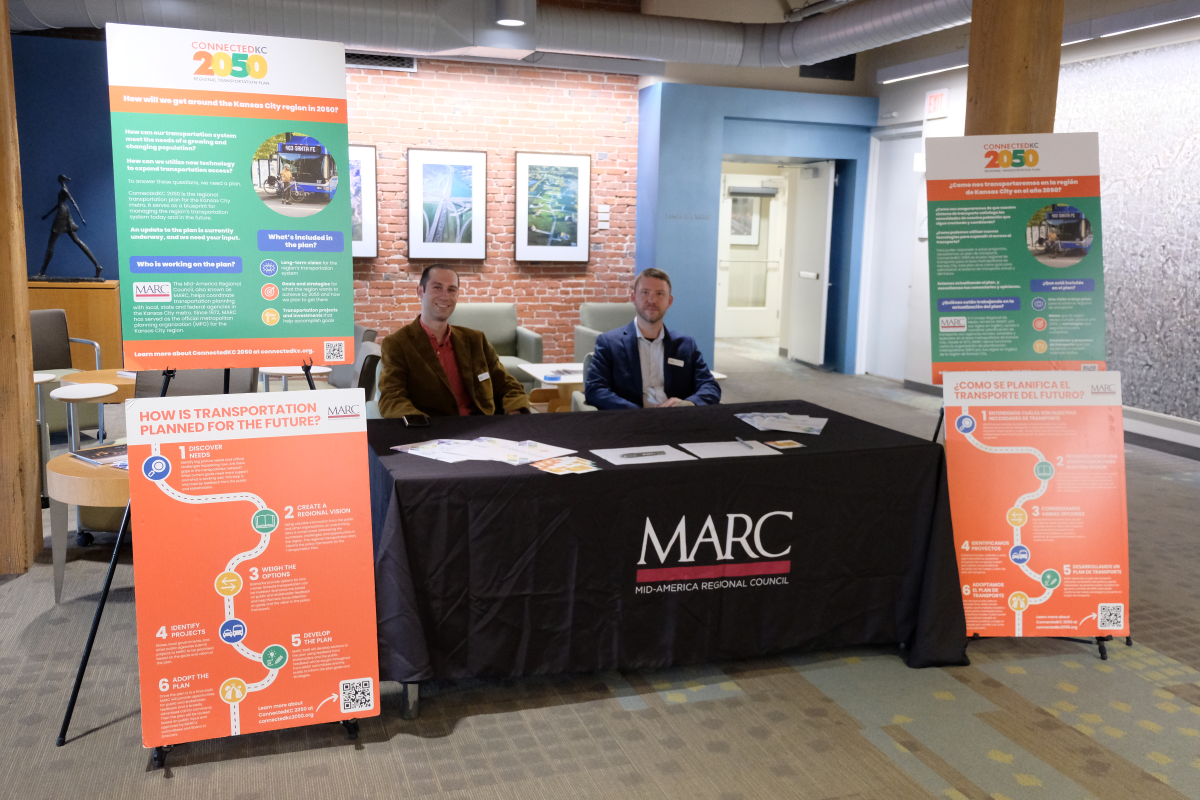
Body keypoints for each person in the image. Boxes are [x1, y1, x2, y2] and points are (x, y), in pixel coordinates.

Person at [377, 265, 532, 418]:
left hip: (483, 431)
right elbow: (391, 398)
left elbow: (508, 385)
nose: (445, 296)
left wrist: (515, 413)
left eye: (452, 289)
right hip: (432, 433)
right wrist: (422, 426)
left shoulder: (475, 340)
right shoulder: (397, 344)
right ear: (420, 292)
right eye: (437, 288)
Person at [585, 267, 721, 410]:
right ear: (633, 298)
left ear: (669, 301)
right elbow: (595, 390)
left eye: (659, 294)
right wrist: (636, 413)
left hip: (676, 422)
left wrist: (688, 404)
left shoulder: (686, 345)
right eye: (645, 293)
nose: (652, 300)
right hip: (631, 423)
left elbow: (710, 386)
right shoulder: (609, 343)